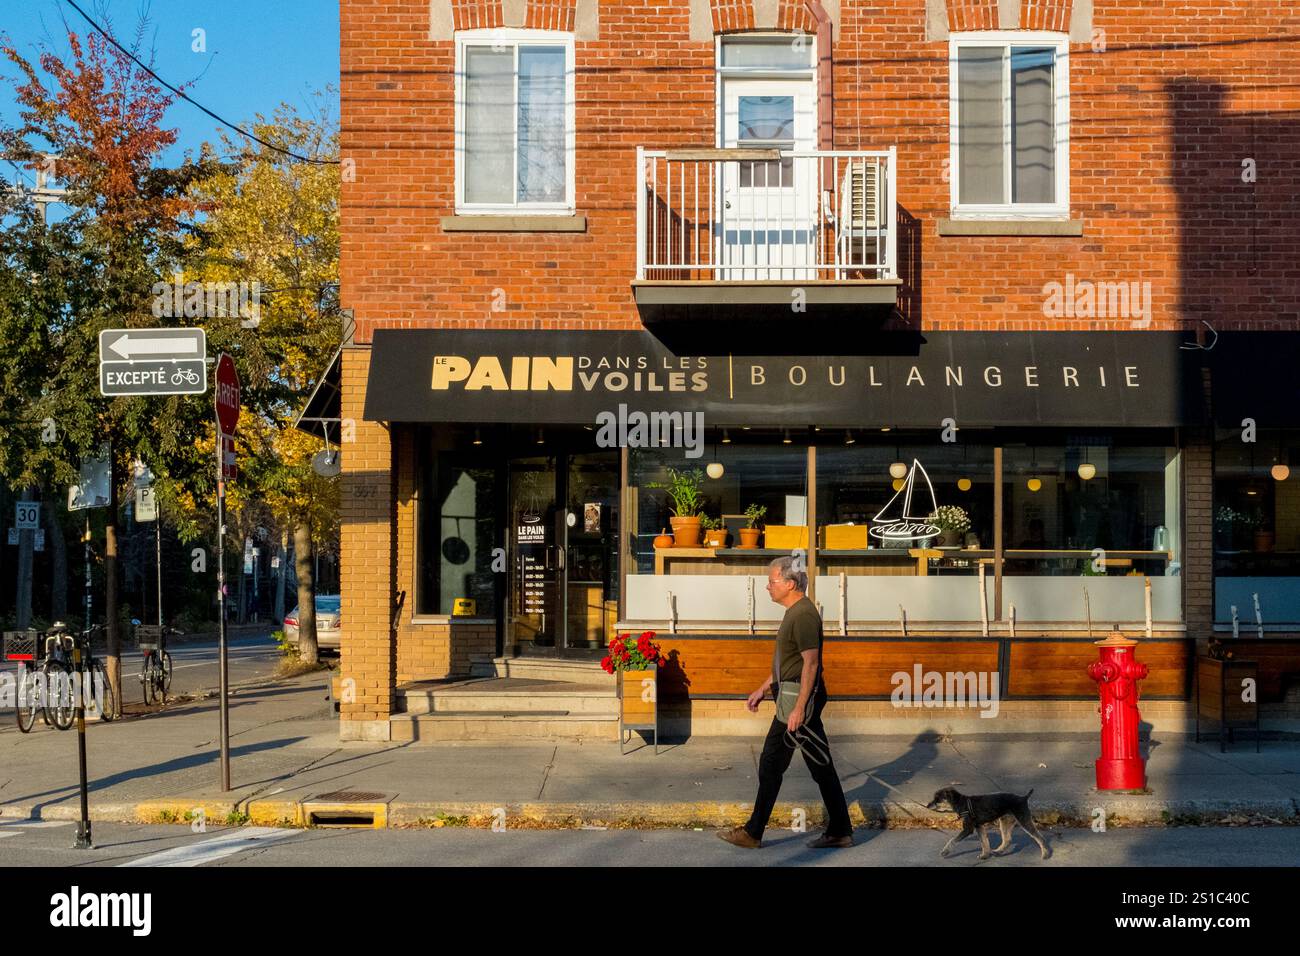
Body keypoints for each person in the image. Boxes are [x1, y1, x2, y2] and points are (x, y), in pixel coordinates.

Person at [718, 556, 854, 849]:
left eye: (772, 581)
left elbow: (810, 664)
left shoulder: (803, 615)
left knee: (771, 764)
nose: (767, 587)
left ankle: (753, 832)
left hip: (796, 700)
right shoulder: (795, 611)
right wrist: (764, 688)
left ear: (790, 584)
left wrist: (800, 708)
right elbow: (789, 662)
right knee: (819, 766)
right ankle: (840, 829)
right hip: (791, 696)